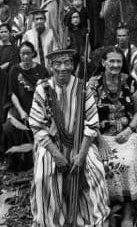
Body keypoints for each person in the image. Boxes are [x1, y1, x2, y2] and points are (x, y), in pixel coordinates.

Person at [29, 48, 110, 226]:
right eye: (57, 63)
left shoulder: (83, 88)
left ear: (72, 65)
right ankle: (52, 221)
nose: (62, 68)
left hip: (81, 142)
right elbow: (36, 125)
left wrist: (81, 155)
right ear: (50, 66)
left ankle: (91, 219)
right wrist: (57, 155)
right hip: (51, 144)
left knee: (94, 171)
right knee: (44, 176)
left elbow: (92, 123)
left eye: (67, 63)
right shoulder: (42, 88)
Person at [88, 46, 137, 227]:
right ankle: (106, 210)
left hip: (126, 135)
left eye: (119, 61)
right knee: (99, 165)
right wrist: (100, 140)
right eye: (111, 61)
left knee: (127, 162)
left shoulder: (130, 82)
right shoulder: (93, 84)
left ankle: (128, 212)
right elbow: (87, 116)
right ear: (103, 62)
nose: (115, 64)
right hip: (99, 136)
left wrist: (129, 130)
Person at [4, 41, 49, 171]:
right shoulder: (14, 70)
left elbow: (47, 92)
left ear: (33, 54)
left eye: (28, 53)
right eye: (23, 54)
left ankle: (34, 163)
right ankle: (14, 164)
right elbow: (11, 93)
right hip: (18, 107)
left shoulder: (41, 70)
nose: (25, 57)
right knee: (9, 128)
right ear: (19, 55)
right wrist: (21, 111)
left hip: (38, 107)